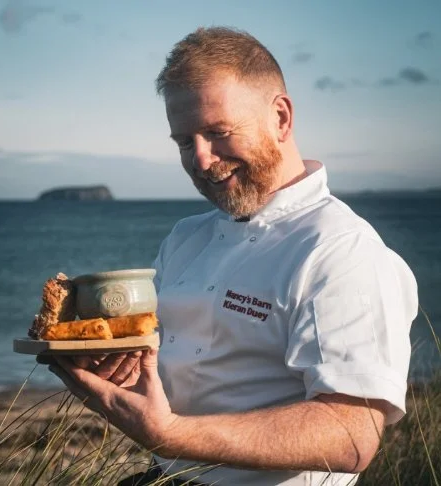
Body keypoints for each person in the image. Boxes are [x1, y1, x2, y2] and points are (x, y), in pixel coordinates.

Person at [48, 27, 418, 485]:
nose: (201, 160)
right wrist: (96, 365)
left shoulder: (341, 251)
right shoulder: (187, 237)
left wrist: (169, 435)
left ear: (281, 117)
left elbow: (352, 436)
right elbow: (172, 375)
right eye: (185, 142)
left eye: (217, 133)